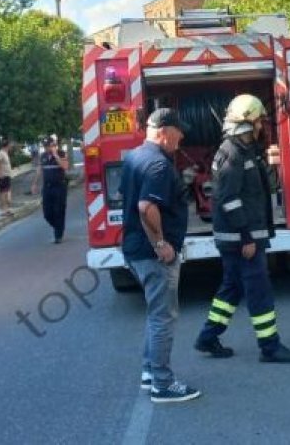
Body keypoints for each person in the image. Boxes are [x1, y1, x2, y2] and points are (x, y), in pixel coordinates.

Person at [195, 94, 290, 363]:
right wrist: (245, 236)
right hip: (242, 239)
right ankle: (270, 347)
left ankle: (208, 337)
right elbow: (228, 199)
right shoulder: (233, 154)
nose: (261, 126)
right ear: (248, 122)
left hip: (240, 237)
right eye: (258, 121)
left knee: (232, 287)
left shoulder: (242, 151)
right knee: (259, 291)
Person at [120, 108, 201, 403]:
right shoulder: (158, 165)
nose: (181, 137)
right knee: (164, 318)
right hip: (151, 254)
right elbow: (145, 207)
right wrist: (161, 244)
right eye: (179, 132)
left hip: (133, 248)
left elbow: (128, 198)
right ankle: (163, 385)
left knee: (155, 314)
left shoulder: (134, 157)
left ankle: (149, 371)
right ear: (164, 131)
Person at [32, 137, 69, 243]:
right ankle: (58, 226)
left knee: (59, 210)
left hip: (59, 186)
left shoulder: (61, 154)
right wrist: (34, 184)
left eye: (52, 146)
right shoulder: (43, 156)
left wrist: (55, 155)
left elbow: (65, 166)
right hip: (48, 187)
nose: (49, 148)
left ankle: (58, 235)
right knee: (47, 212)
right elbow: (39, 170)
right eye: (47, 146)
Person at [0, 140, 14, 216]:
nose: (11, 147)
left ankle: (7, 209)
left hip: (7, 176)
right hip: (2, 176)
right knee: (3, 193)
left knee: (7, 193)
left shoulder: (5, 153)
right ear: (7, 145)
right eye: (10, 145)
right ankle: (4, 210)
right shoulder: (1, 154)